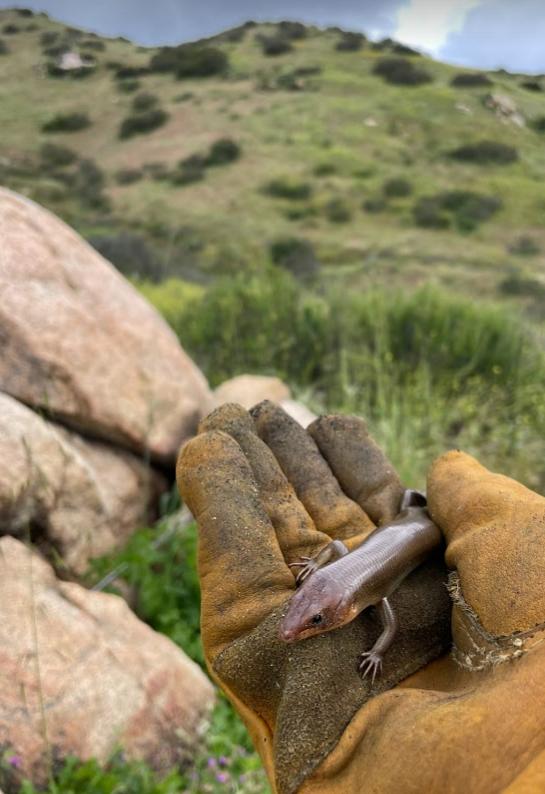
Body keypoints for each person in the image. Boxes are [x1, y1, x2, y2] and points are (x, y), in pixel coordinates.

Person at [177, 400, 545, 794]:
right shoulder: (347, 584)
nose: (296, 629)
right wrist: (314, 571)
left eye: (316, 620)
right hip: (405, 519)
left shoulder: (369, 595)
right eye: (307, 615)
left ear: (346, 609)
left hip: (421, 531)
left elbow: (387, 621)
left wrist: (377, 653)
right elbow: (336, 547)